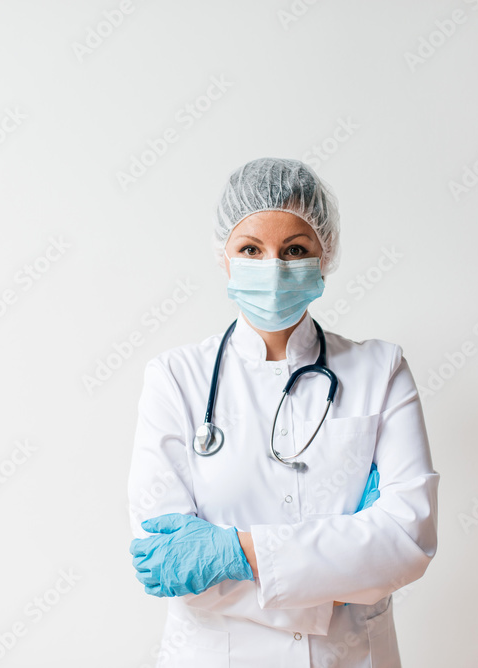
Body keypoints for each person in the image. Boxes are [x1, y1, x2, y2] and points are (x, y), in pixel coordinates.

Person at [127, 157, 439, 667]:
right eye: (251, 249)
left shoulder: (381, 371)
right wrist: (344, 579)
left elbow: (407, 542)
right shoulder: (175, 379)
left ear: (325, 255)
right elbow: (169, 565)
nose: (272, 268)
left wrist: (235, 552)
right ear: (224, 257)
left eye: (294, 250)